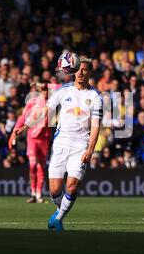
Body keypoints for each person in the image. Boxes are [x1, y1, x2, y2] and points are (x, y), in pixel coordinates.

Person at [14, 57, 102, 232]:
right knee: (54, 190)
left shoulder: (95, 96)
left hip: (81, 145)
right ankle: (59, 213)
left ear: (89, 72)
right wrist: (26, 125)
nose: (81, 72)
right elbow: (45, 111)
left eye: (85, 69)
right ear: (73, 70)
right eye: (78, 69)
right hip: (61, 143)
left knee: (71, 186)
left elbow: (96, 126)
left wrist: (90, 149)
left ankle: (58, 218)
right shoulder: (63, 91)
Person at [9, 82, 51, 203]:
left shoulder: (53, 102)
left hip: (44, 138)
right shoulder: (32, 102)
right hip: (32, 136)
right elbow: (22, 117)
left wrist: (43, 84)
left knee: (41, 167)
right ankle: (33, 193)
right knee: (32, 165)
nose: (45, 92)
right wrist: (14, 131)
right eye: (43, 90)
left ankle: (38, 195)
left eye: (47, 90)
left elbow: (60, 86)